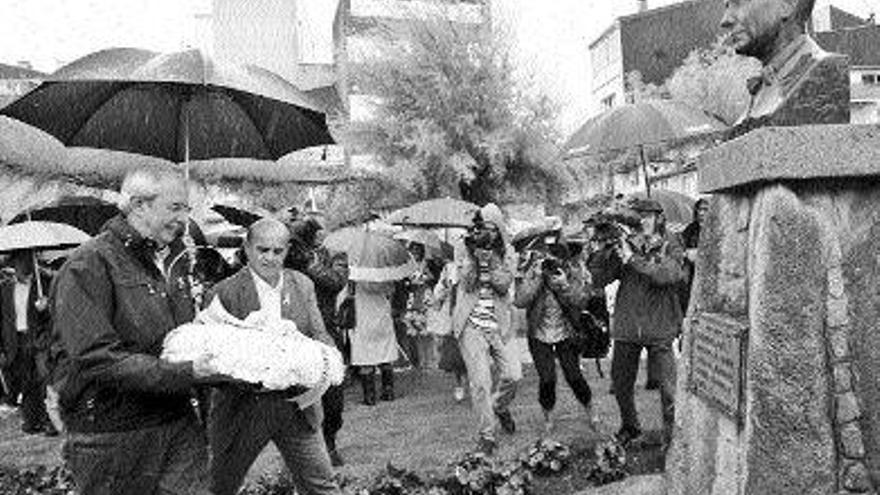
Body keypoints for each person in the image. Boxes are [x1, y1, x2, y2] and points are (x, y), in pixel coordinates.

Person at [50, 166, 214, 494]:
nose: (183, 219)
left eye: (186, 209)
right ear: (139, 206)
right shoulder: (88, 264)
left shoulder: (176, 260)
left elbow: (175, 338)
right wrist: (183, 373)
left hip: (176, 421)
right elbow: (96, 356)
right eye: (175, 207)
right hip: (113, 433)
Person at [205, 218, 341, 495]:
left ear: (288, 250)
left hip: (297, 406)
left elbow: (319, 334)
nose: (270, 258)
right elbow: (211, 359)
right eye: (262, 250)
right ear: (247, 248)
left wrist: (328, 361)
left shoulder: (302, 284)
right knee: (220, 487)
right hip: (242, 408)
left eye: (278, 251)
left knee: (323, 485)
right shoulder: (222, 293)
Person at [588, 198, 686, 450]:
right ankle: (630, 427)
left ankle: (672, 437)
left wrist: (634, 260)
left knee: (668, 389)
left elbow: (669, 275)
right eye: (637, 215)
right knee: (621, 384)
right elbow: (599, 280)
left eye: (647, 215)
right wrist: (604, 250)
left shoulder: (671, 242)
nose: (641, 220)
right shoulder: (626, 241)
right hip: (628, 325)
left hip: (660, 326)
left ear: (658, 218)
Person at [453, 203, 520, 455]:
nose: (487, 235)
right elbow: (466, 283)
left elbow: (503, 285)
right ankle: (487, 436)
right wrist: (473, 256)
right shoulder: (463, 246)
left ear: (500, 230)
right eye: (483, 228)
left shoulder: (509, 252)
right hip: (471, 325)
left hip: (498, 323)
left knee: (513, 375)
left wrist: (490, 260)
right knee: (480, 383)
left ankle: (500, 407)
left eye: (493, 230)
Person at [721, 0, 849, 127]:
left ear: (787, 5)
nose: (725, 20)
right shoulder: (766, 83)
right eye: (727, 6)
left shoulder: (821, 72)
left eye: (738, 3)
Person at [514, 240, 597, 434]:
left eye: (557, 260)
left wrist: (564, 285)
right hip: (539, 333)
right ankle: (548, 418)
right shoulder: (534, 272)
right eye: (549, 259)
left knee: (574, 376)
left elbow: (581, 301)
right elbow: (520, 301)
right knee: (547, 379)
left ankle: (591, 409)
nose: (553, 264)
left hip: (565, 332)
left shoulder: (572, 273)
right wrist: (536, 278)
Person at [286, 217, 350, 467]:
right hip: (296, 333)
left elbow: (336, 282)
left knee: (333, 396)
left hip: (326, 331)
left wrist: (309, 263)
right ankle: (307, 447)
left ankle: (330, 439)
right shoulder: (290, 255)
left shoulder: (335, 255)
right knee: (300, 395)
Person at [0, 250, 57, 436]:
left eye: (26, 260)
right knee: (26, 382)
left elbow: (57, 314)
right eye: (19, 261)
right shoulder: (5, 288)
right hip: (16, 341)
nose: (23, 265)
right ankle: (32, 420)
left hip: (39, 339)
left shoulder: (45, 283)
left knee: (45, 379)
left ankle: (51, 421)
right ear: (13, 263)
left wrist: (46, 309)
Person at [349, 278, 398, 405]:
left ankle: (369, 397)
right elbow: (391, 291)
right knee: (385, 355)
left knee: (366, 358)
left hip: (363, 317)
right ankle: (388, 392)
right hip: (382, 317)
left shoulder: (356, 275)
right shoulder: (384, 273)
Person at [432, 257, 468, 402]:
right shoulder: (448, 268)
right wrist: (444, 289)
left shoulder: (474, 264)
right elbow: (439, 290)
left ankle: (473, 381)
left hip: (470, 311)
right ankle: (459, 383)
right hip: (453, 314)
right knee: (455, 351)